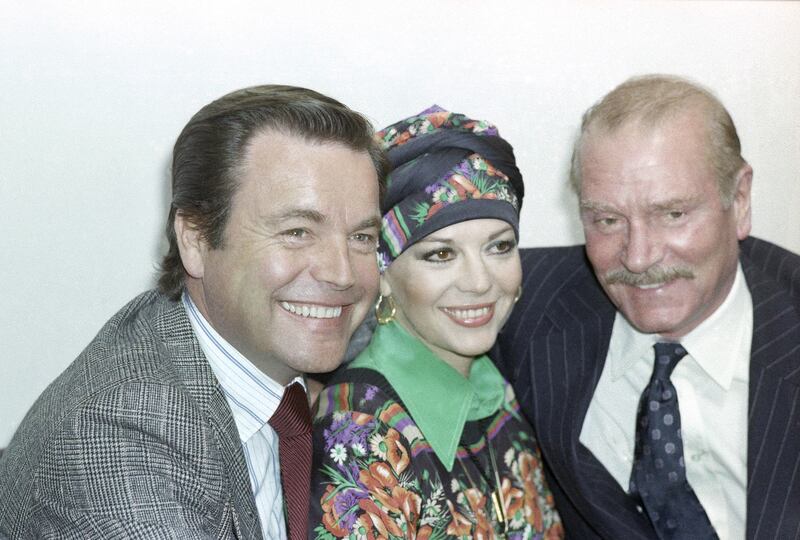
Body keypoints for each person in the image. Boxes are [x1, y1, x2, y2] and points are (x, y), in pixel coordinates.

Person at [0, 85, 387, 539]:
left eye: (361, 238)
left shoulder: (259, 358)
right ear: (196, 240)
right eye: (297, 232)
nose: (342, 274)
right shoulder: (121, 437)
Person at [495, 74, 800, 539]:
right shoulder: (522, 303)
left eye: (672, 214)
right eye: (607, 220)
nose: (638, 258)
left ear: (739, 200)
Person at [308, 106, 564, 539]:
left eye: (499, 247)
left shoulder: (497, 388)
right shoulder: (362, 432)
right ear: (383, 273)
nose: (480, 282)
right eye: (441, 254)